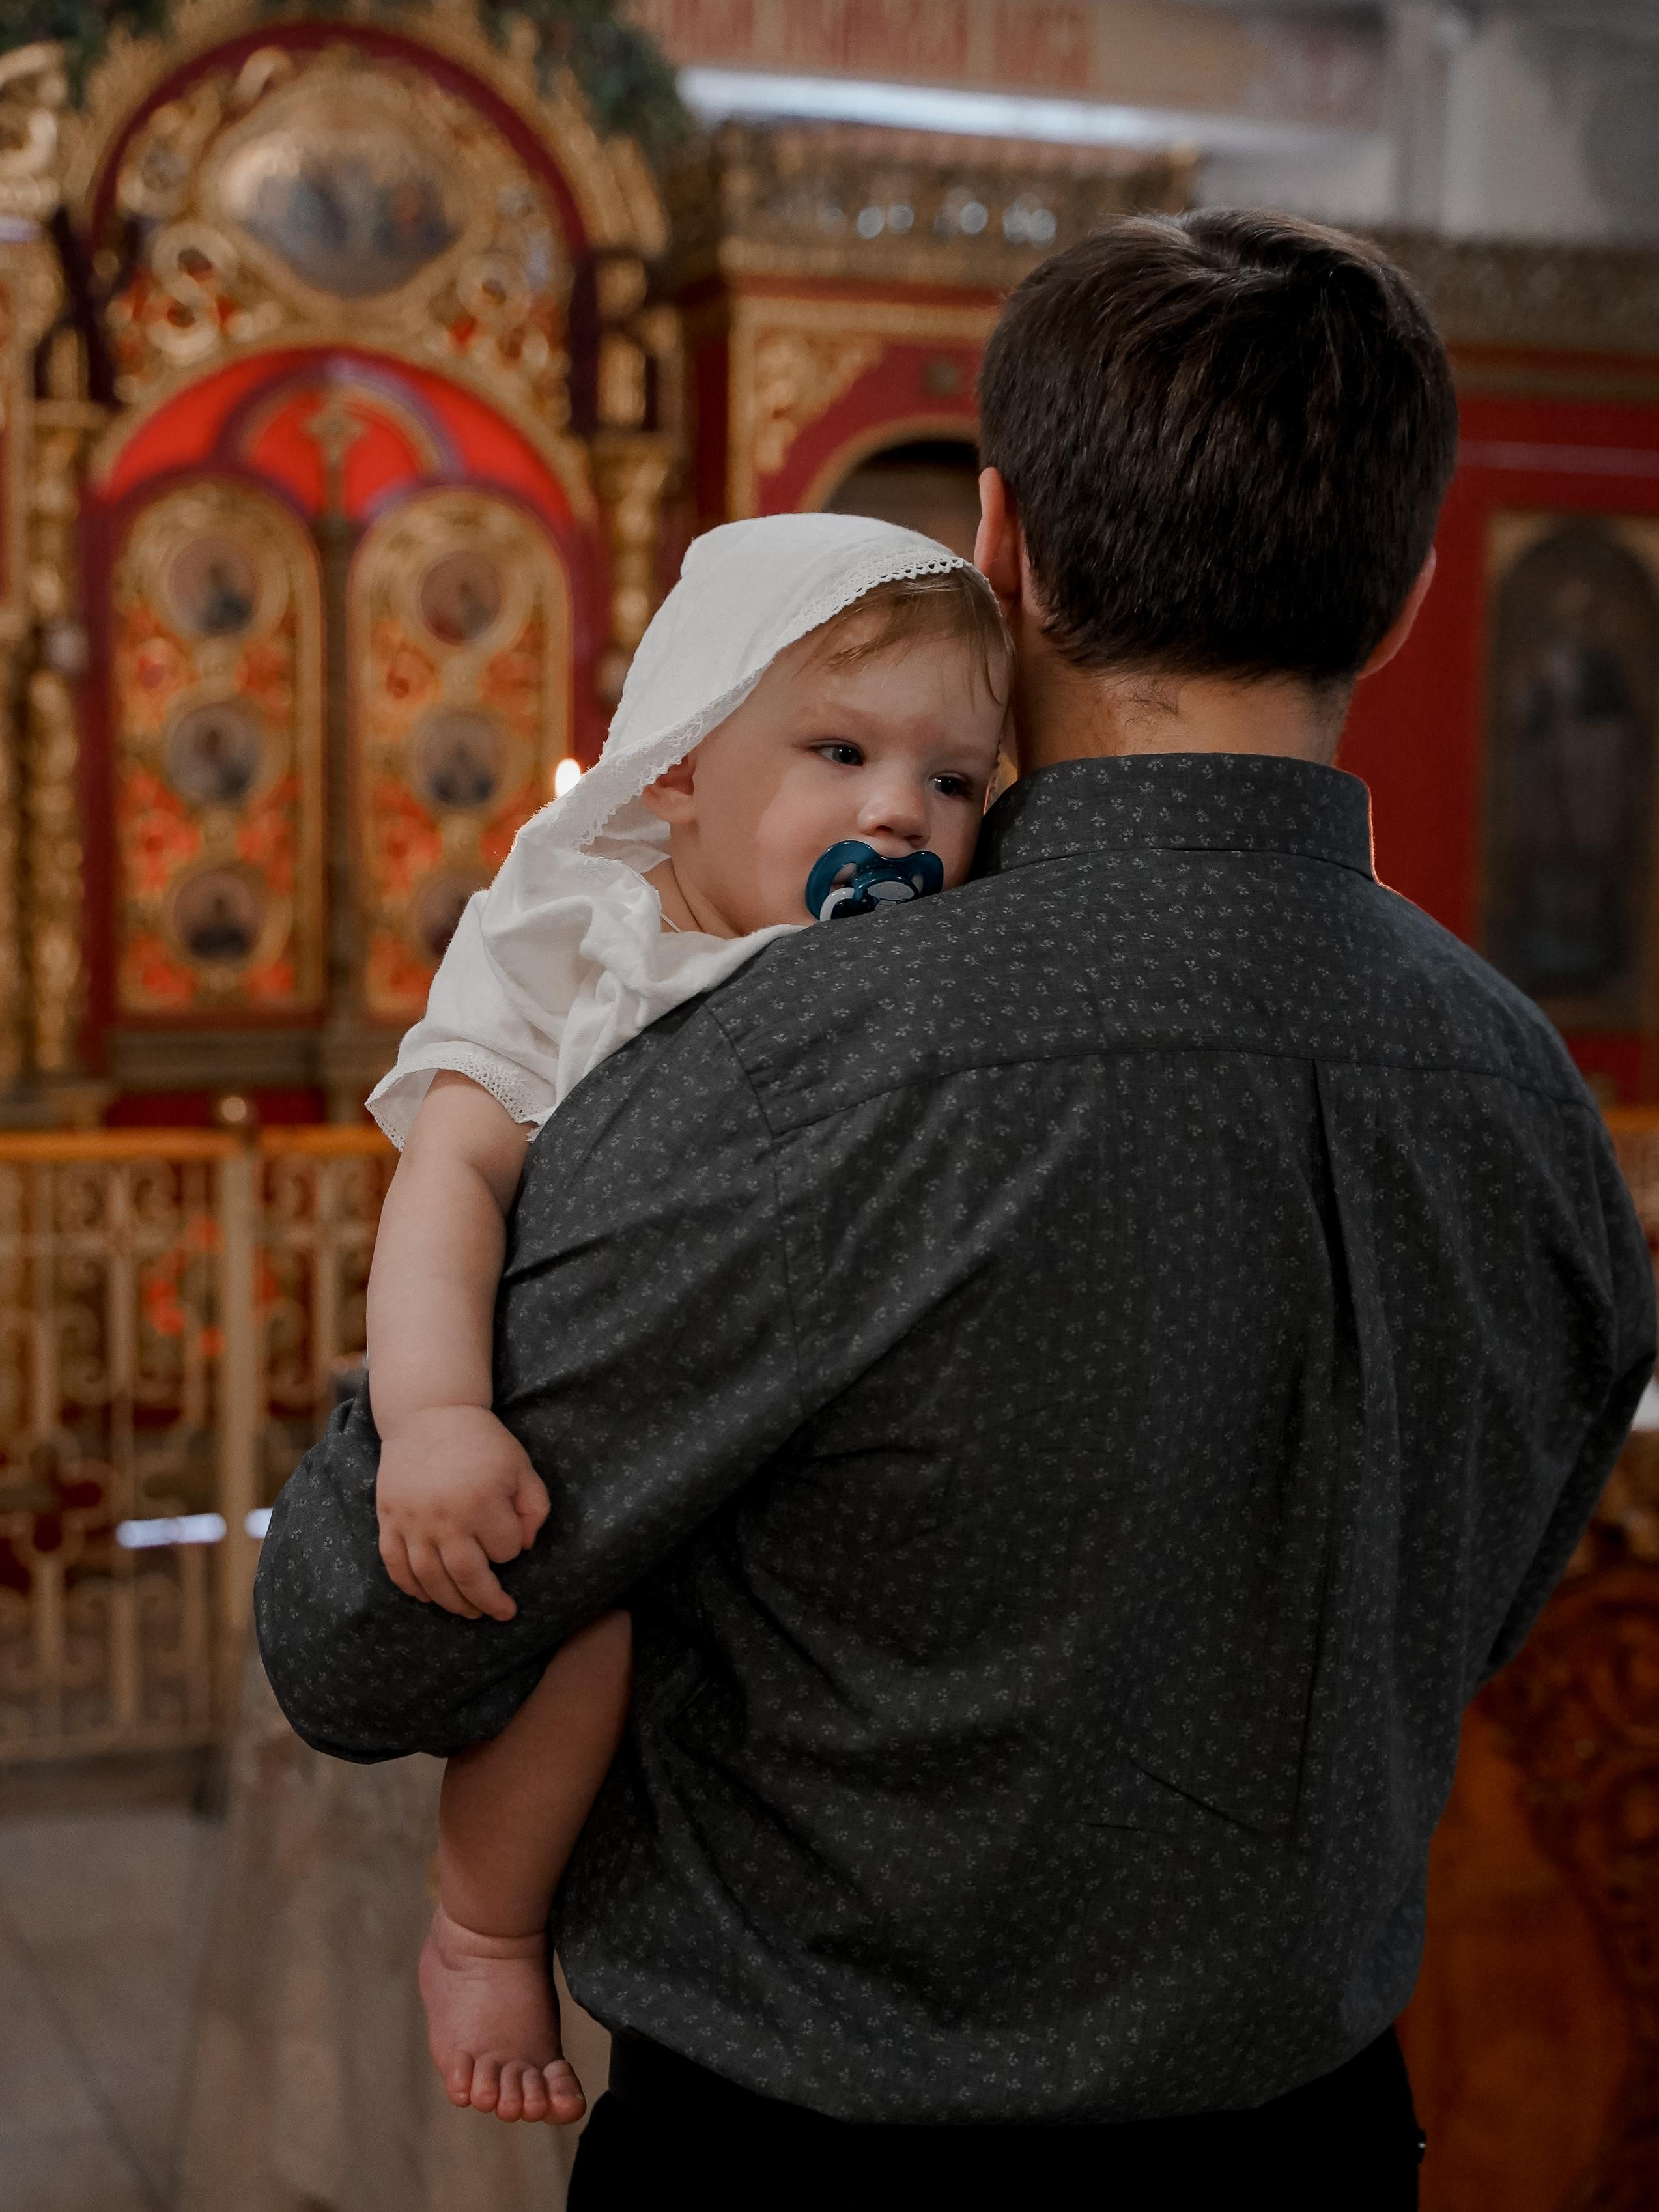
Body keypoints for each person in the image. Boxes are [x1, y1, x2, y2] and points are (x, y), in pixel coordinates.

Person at [255, 212, 1656, 2209]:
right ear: (1411, 592)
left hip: (815, 2158)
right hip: (1318, 2141)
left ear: (1000, 545)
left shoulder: (798, 1060)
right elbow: (1465, 1617)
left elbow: (359, 1636)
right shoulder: (1528, 1104)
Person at [360, 517, 1010, 2125]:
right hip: (568, 1430)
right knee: (577, 1627)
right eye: (840, 751)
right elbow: (449, 1178)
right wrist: (436, 1415)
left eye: (952, 784)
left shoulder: (927, 975)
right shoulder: (579, 937)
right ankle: (481, 1929)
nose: (894, 813)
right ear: (673, 772)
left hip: (809, 1480)